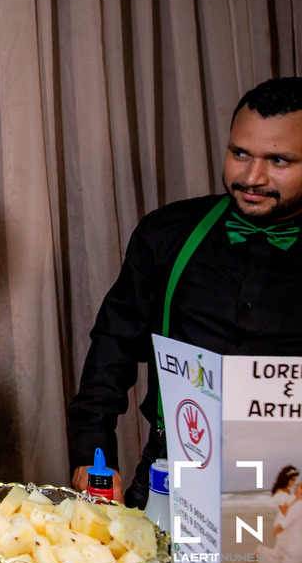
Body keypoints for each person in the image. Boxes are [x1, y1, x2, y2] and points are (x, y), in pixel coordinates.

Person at [68, 77, 302, 507]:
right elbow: (113, 346)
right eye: (240, 153)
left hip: (290, 491)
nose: (252, 177)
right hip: (170, 476)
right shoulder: (168, 232)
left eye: (279, 160)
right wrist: (92, 452)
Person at [258, 465, 302, 563]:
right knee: (284, 556)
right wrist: (297, 500)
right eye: (291, 480)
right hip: (284, 525)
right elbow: (286, 513)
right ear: (285, 478)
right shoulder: (280, 493)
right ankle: (261, 551)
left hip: (291, 525)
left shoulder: (291, 491)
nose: (293, 482)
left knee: (288, 559)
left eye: (295, 480)